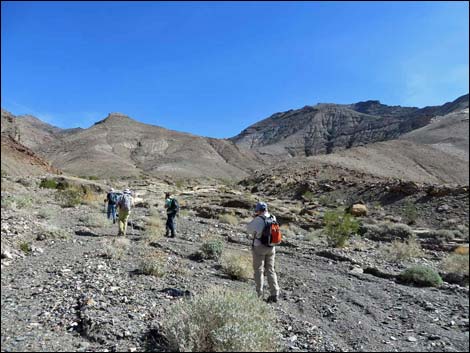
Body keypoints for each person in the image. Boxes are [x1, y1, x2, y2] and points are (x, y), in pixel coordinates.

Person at [246, 201, 280, 303]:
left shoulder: (258, 219)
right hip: (271, 247)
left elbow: (249, 230)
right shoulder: (273, 217)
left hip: (259, 248)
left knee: (258, 270)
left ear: (258, 210)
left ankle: (259, 295)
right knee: (270, 269)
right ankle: (275, 293)